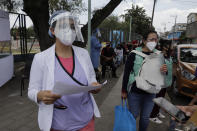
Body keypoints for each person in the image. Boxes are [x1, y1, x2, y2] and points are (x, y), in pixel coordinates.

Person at [28, 11, 101, 131]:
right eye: (63, 26)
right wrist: (39, 95)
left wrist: (94, 85)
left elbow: (92, 78)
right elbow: (32, 91)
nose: (69, 30)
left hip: (86, 121)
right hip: (58, 124)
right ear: (52, 30)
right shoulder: (41, 58)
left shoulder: (83, 54)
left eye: (72, 27)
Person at [122, 30, 170, 131]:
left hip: (151, 92)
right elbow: (126, 73)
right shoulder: (134, 54)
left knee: (145, 118)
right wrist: (124, 90)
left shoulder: (159, 55)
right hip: (135, 91)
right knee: (133, 115)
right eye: (151, 39)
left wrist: (164, 71)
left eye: (156, 40)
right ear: (144, 41)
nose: (154, 42)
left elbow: (163, 75)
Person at [149, 42, 173, 124]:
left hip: (166, 82)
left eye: (169, 46)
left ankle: (157, 112)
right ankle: (152, 116)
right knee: (157, 99)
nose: (168, 47)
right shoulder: (157, 55)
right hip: (159, 82)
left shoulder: (168, 56)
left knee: (161, 99)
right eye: (166, 46)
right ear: (162, 46)